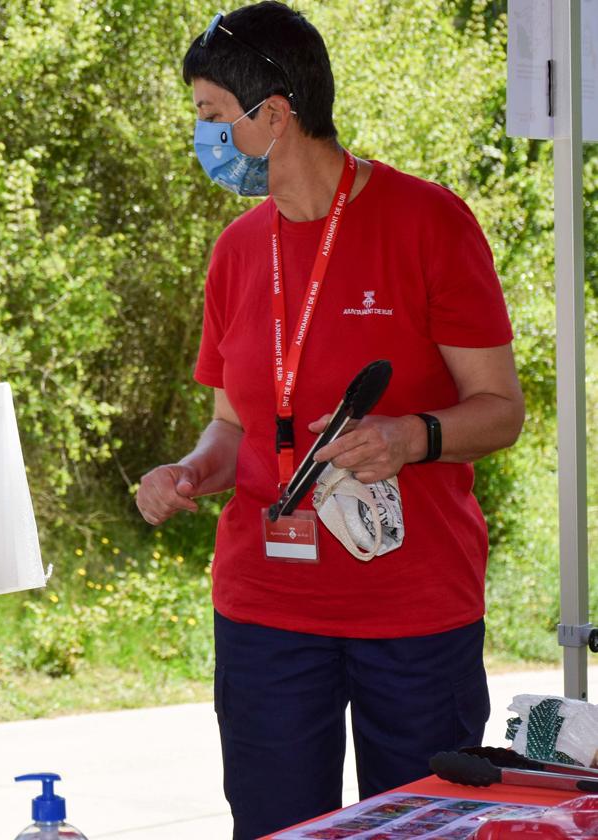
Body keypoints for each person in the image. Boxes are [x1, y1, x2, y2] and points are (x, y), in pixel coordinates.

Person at [134, 4, 525, 837]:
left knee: (422, 827)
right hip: (266, 611)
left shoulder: (428, 222)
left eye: (211, 115)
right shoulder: (237, 250)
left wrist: (410, 437)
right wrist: (191, 470)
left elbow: (501, 412)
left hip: (413, 611)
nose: (202, 137)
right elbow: (233, 427)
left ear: (273, 114)